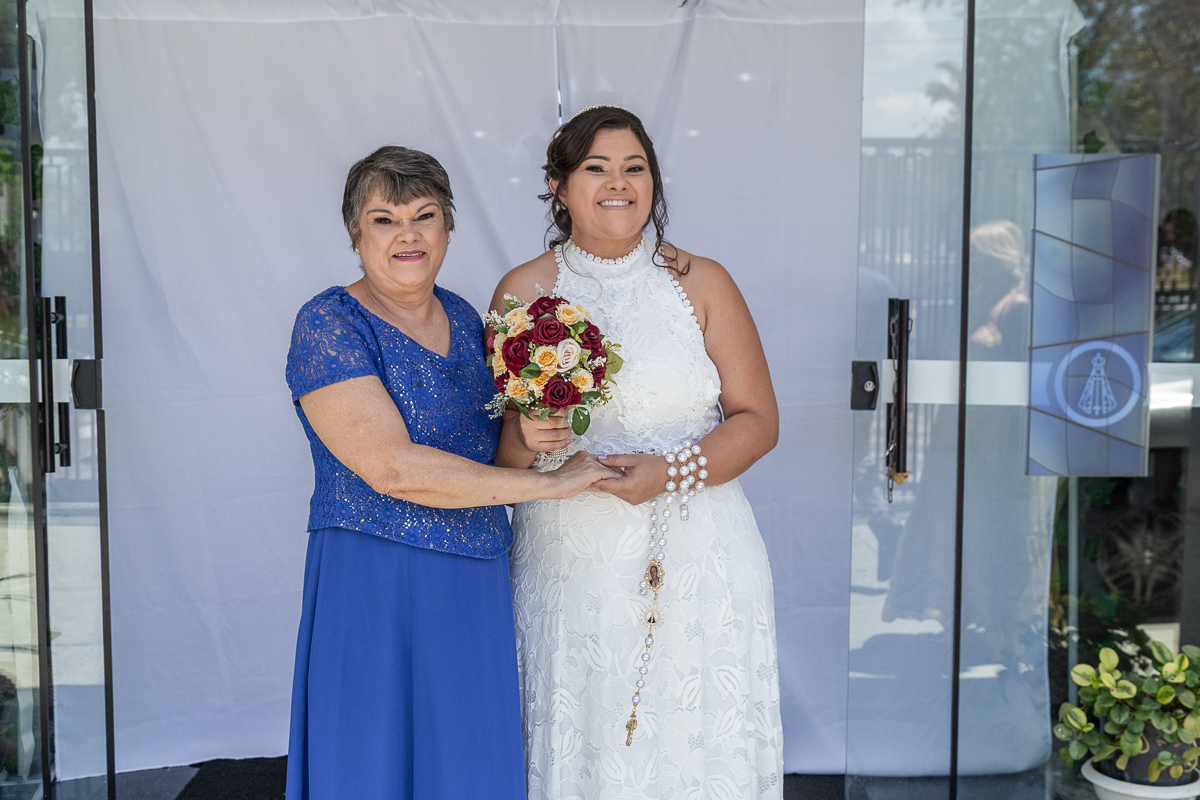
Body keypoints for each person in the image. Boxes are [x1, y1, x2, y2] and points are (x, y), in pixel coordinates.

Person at [283, 145, 616, 800]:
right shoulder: (328, 324)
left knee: (467, 770)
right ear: (356, 234)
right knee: (370, 768)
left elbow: (491, 464)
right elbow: (392, 468)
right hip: (373, 580)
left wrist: (531, 432)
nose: (407, 235)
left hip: (472, 584)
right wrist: (549, 484)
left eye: (424, 215)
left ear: (448, 227)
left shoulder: (471, 322)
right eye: (384, 219)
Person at [492, 107, 785, 799]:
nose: (616, 182)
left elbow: (759, 420)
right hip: (570, 564)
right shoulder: (523, 290)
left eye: (634, 167)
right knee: (586, 737)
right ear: (559, 188)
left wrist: (673, 472)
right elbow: (503, 462)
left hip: (699, 555)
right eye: (595, 168)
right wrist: (532, 437)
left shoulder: (703, 282)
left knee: (694, 745)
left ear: (654, 182)